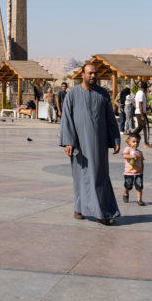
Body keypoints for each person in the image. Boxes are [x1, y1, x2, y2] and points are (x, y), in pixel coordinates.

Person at [59, 62, 121, 224]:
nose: (93, 76)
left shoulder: (103, 94)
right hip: (78, 144)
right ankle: (79, 208)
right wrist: (68, 141)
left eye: (95, 73)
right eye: (90, 73)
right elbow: (66, 119)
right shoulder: (72, 94)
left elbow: (110, 119)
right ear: (83, 75)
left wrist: (115, 138)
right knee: (80, 177)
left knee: (98, 177)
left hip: (98, 144)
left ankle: (101, 211)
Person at [122, 133, 145, 206]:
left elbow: (141, 161)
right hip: (129, 172)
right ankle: (126, 192)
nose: (136, 143)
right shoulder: (128, 149)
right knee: (128, 185)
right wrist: (132, 156)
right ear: (129, 142)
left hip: (138, 173)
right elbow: (124, 155)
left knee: (139, 186)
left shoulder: (140, 152)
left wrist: (142, 170)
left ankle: (139, 200)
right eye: (134, 141)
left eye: (137, 142)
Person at [132, 83, 152, 149]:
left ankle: (130, 136)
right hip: (140, 113)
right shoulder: (141, 93)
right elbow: (140, 104)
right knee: (145, 127)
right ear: (145, 88)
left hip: (139, 112)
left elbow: (136, 102)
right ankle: (146, 143)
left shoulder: (138, 92)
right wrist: (142, 115)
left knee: (140, 127)